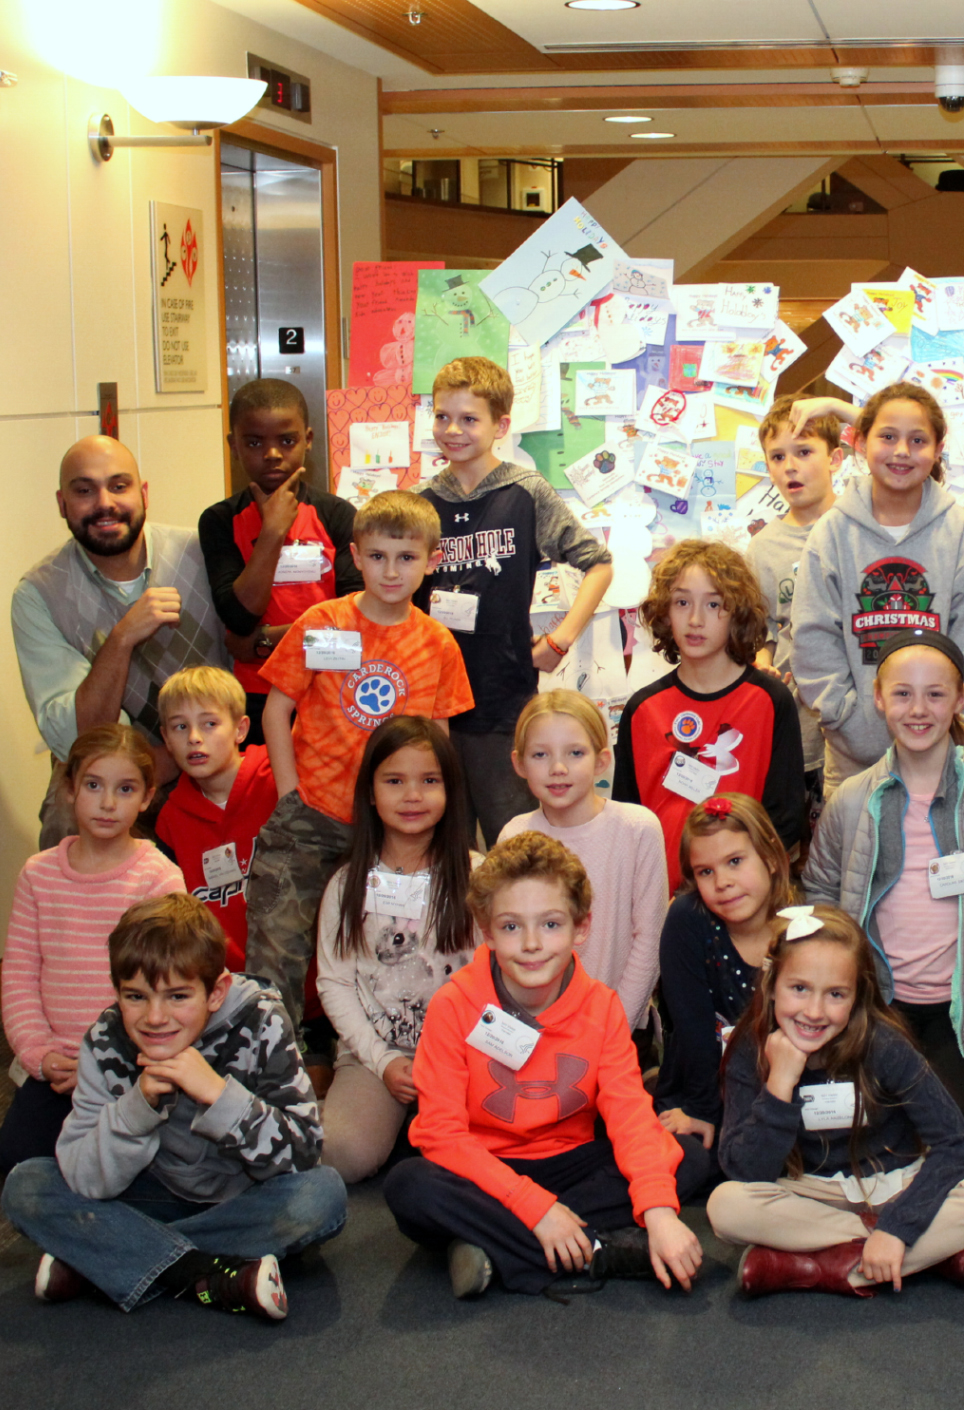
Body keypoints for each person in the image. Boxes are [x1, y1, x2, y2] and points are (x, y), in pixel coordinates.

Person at [383, 832, 709, 1299]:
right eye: (512, 927)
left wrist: (658, 1212)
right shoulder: (454, 1005)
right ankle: (599, 1250)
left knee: (686, 1158)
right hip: (485, 1168)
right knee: (409, 1186)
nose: (532, 944)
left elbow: (630, 1117)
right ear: (488, 931)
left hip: (569, 1163)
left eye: (551, 924)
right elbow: (441, 1135)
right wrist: (534, 1208)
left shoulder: (602, 1007)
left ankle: (496, 1248)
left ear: (581, 928)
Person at [0, 892, 347, 1318]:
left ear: (216, 991)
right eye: (136, 997)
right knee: (27, 1185)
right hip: (149, 1196)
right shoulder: (106, 1042)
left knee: (322, 1195)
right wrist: (139, 1105)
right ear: (118, 992)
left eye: (178, 997)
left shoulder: (262, 1023)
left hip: (242, 1200)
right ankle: (207, 1274)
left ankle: (104, 1257)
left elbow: (302, 1154)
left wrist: (219, 1096)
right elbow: (85, 1179)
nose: (155, 1018)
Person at [803, 629, 964, 1131]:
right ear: (879, 699)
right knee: (864, 1127)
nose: (918, 709)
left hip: (960, 1013)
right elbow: (821, 894)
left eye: (935, 694)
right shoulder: (851, 799)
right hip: (876, 1004)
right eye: (902, 693)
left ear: (960, 699)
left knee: (953, 1127)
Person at [707, 904, 964, 1296]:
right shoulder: (749, 1048)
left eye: (836, 994)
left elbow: (957, 1143)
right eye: (799, 988)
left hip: (897, 1183)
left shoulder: (884, 1043)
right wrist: (780, 1083)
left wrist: (897, 1224)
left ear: (858, 997)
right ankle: (917, 1255)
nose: (814, 1011)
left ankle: (818, 1265)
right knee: (726, 1207)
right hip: (809, 1194)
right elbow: (744, 1171)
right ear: (772, 985)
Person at [249, 489, 474, 1030]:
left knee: (381, 953)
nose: (390, 571)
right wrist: (288, 794)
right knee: (277, 951)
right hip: (312, 814)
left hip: (393, 829)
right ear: (355, 555)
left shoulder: (438, 644)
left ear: (432, 561)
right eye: (377, 556)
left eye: (406, 558)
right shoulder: (322, 623)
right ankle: (272, 1066)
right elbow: (275, 712)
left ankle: (374, 1054)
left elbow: (437, 740)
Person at [415, 355, 614, 845]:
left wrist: (561, 640)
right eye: (442, 416)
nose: (452, 430)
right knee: (443, 853)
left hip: (502, 705)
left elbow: (599, 564)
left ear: (500, 425)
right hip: (429, 705)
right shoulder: (420, 503)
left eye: (469, 419)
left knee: (514, 847)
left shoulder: (524, 493)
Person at [14, 435, 230, 847]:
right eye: (84, 490)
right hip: (113, 769)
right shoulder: (38, 595)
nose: (104, 503)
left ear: (143, 493)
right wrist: (122, 638)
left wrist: (184, 757)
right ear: (61, 503)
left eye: (118, 486)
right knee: (66, 814)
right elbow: (82, 737)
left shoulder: (201, 554)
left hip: (216, 753)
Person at [789, 385, 964, 793]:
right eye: (887, 437)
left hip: (948, 759)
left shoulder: (963, 535)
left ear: (938, 449)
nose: (902, 450)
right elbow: (813, 639)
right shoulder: (831, 533)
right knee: (856, 859)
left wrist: (955, 724)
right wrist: (848, 721)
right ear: (860, 442)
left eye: (917, 440)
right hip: (854, 765)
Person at [0, 725, 184, 1174]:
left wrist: (109, 1067)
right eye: (94, 786)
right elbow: (19, 977)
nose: (107, 803)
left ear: (146, 797)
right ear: (69, 789)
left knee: (140, 1162)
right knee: (17, 1161)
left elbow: (171, 996)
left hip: (132, 1062)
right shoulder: (38, 875)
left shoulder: (158, 878)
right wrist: (39, 1056)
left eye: (125, 789)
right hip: (58, 1064)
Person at [315, 717, 478, 1184]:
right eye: (394, 781)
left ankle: (419, 1139)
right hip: (376, 1057)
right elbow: (335, 982)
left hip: (462, 1058)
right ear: (370, 792)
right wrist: (383, 1061)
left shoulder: (478, 877)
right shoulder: (346, 885)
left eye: (429, 781)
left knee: (488, 1154)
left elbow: (497, 980)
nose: (412, 795)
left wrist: (455, 1060)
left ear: (451, 791)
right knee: (340, 1154)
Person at [613, 538, 805, 890]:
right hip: (663, 900)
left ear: (737, 612)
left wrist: (736, 880)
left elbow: (786, 816)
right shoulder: (642, 709)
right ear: (665, 613)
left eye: (713, 603)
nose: (696, 619)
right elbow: (628, 820)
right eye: (682, 602)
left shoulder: (770, 700)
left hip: (746, 897)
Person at [199, 378, 362, 744]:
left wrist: (260, 643)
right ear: (234, 446)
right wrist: (272, 533)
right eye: (254, 442)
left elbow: (353, 628)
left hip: (331, 690)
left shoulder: (337, 514)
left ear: (307, 439)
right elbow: (240, 615)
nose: (272, 454)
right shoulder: (219, 520)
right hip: (255, 698)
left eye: (286, 441)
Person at [500, 689, 666, 1029]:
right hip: (534, 1029)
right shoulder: (513, 835)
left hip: (615, 1028)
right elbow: (505, 940)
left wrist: (613, 1029)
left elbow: (649, 941)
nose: (558, 768)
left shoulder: (637, 829)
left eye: (575, 753)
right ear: (519, 763)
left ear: (601, 761)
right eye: (540, 755)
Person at [653, 794, 792, 1150]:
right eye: (705, 872)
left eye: (735, 861)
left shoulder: (801, 930)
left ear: (772, 858)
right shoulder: (688, 920)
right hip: (701, 1092)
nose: (722, 882)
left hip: (780, 1092)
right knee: (682, 1166)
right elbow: (693, 1031)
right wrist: (703, 1111)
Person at [746, 394, 845, 824]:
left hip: (858, 721)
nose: (790, 467)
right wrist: (761, 661)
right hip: (797, 727)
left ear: (836, 458)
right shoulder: (763, 547)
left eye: (804, 452)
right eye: (777, 456)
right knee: (802, 851)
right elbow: (760, 631)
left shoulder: (859, 525)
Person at [152, 667, 279, 976]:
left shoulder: (278, 779)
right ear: (166, 738)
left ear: (240, 728)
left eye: (209, 724)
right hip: (224, 990)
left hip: (308, 986)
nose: (194, 738)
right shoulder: (170, 820)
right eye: (180, 727)